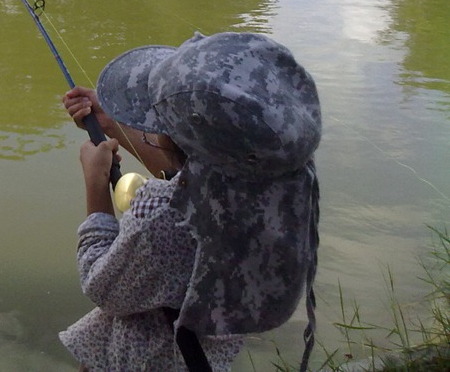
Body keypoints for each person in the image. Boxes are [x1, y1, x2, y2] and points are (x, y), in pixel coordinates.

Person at [59, 31, 321, 372]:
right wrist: (114, 126)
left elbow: (100, 284)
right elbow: (189, 171)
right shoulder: (277, 188)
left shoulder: (163, 215)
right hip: (204, 361)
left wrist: (96, 184)